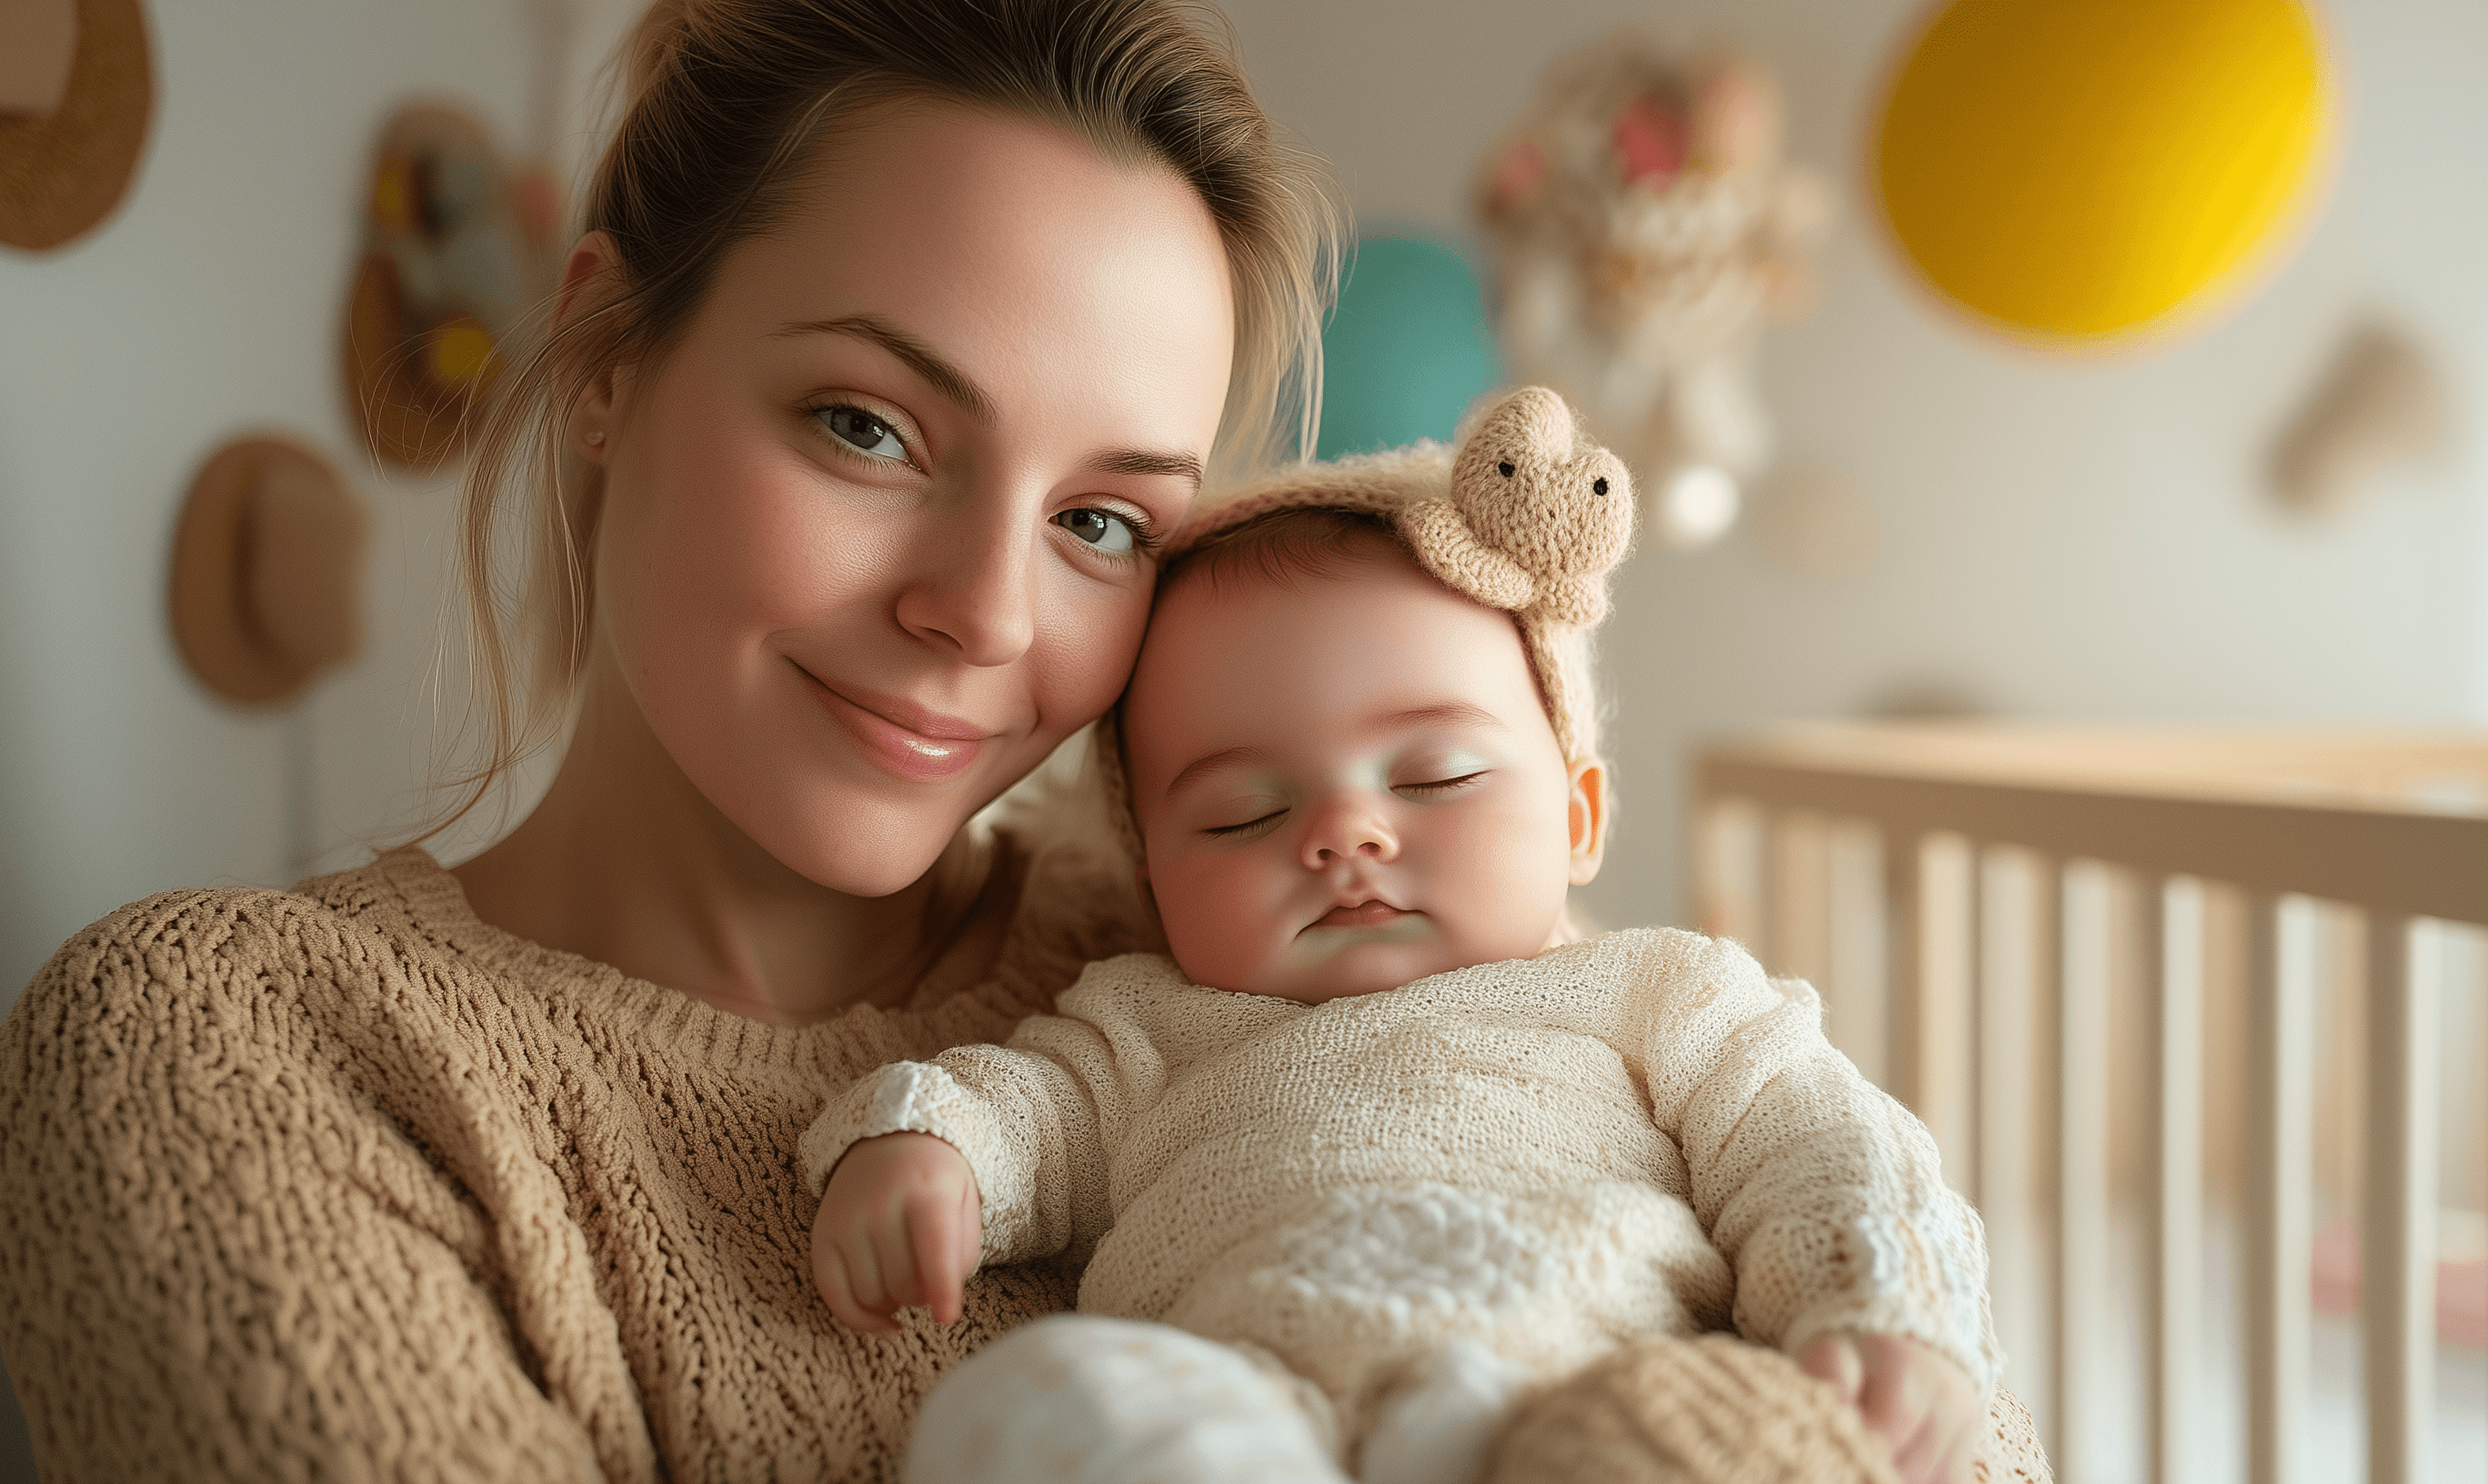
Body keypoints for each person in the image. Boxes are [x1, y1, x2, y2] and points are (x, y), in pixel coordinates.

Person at [0, 3, 1333, 1478]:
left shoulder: (1242, 958)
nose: (986, 615)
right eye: (865, 427)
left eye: (1100, 522)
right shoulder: (239, 1049)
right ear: (605, 356)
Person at [799, 389, 2013, 1484]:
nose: (1341, 836)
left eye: (1436, 778)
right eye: (1244, 813)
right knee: (1030, 1402)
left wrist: (1878, 1308)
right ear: (1154, 879)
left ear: (1579, 818)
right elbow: (1026, 1110)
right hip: (1262, 1419)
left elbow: (1819, 1144)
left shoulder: (1656, 994)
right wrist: (929, 1149)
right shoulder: (1144, 1026)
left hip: (1588, 1400)